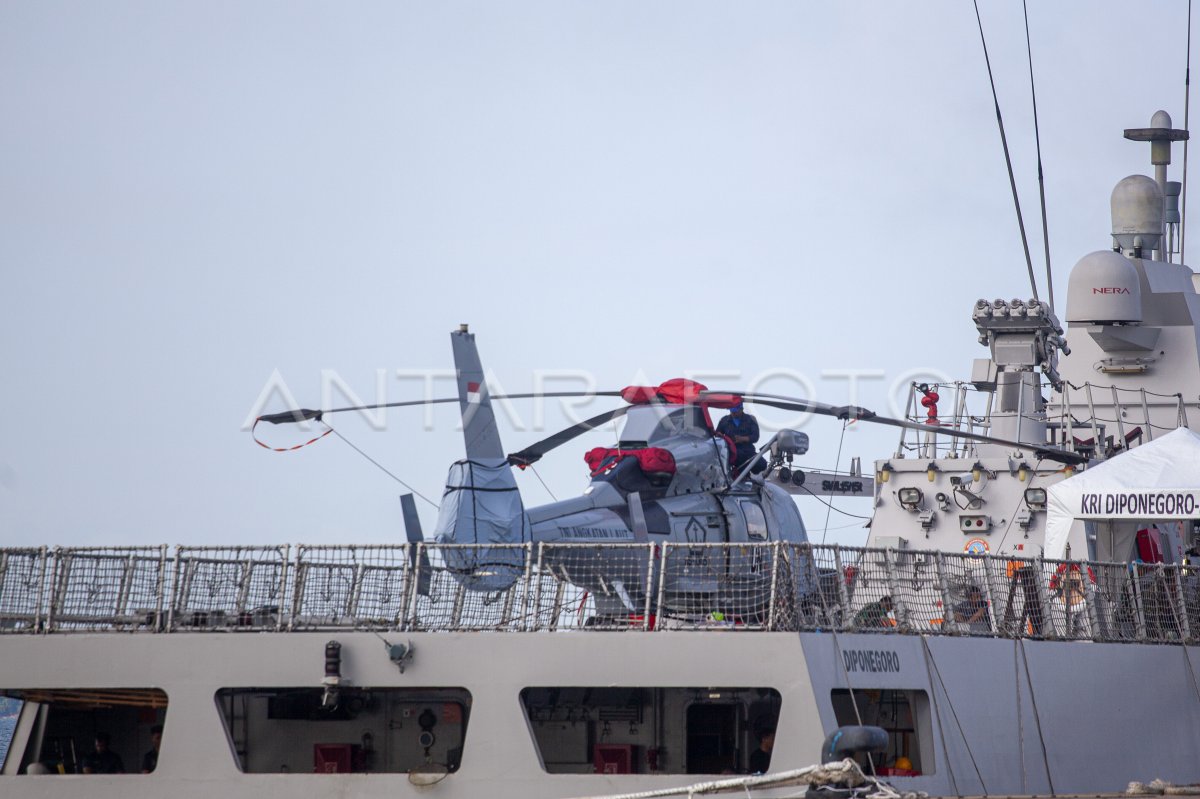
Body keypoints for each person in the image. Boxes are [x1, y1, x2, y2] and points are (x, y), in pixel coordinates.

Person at [717, 402, 762, 475]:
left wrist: (743, 439)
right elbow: (717, 435)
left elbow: (755, 437)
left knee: (761, 464)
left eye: (735, 411)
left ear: (741, 409)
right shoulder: (724, 420)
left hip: (748, 451)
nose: (733, 413)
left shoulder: (751, 419)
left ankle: (754, 476)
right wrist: (722, 437)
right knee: (739, 459)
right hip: (731, 452)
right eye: (732, 411)